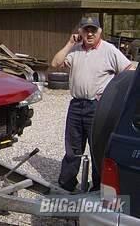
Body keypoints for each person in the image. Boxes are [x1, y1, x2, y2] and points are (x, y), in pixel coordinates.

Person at [51, 17, 132, 192]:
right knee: (72, 149)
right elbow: (55, 63)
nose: (89, 34)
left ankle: (98, 189)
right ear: (80, 32)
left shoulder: (109, 50)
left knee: (97, 149)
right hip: (76, 106)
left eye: (93, 30)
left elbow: (128, 71)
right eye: (86, 30)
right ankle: (66, 185)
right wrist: (69, 44)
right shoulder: (75, 50)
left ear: (99, 32)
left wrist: (114, 96)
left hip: (97, 107)